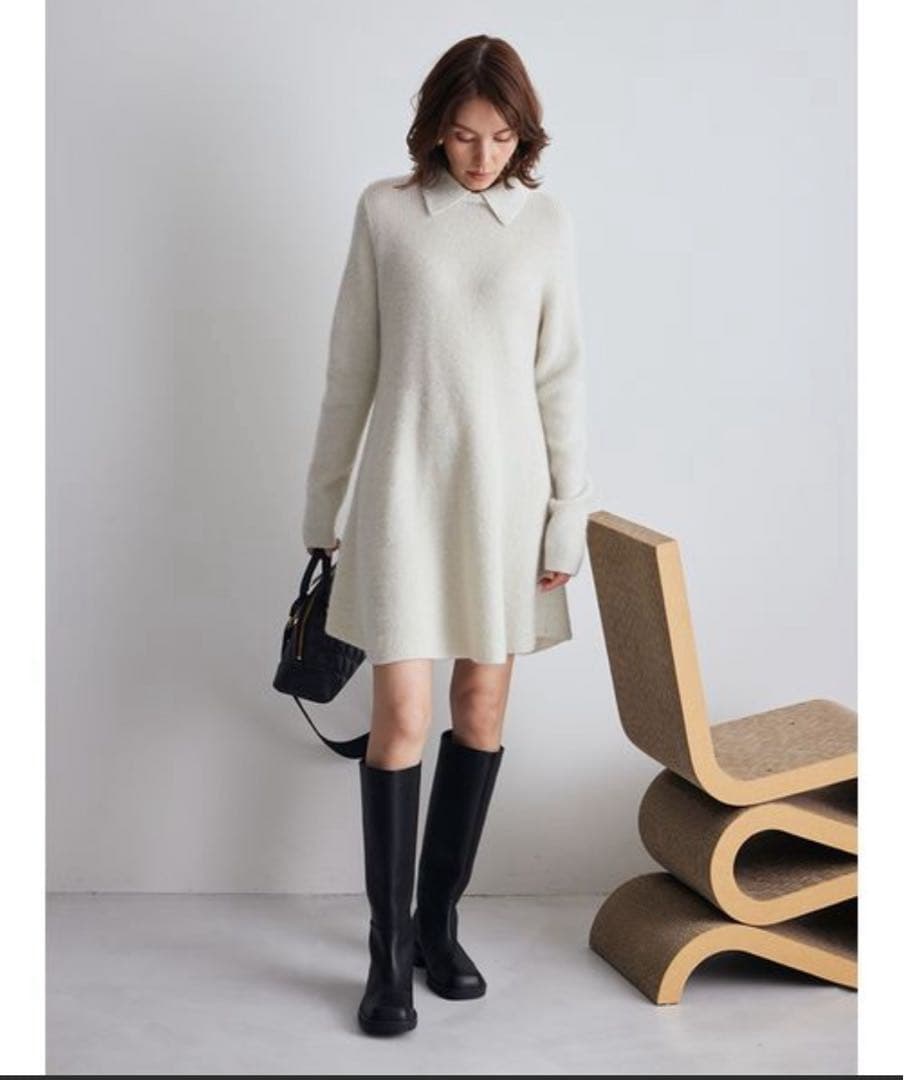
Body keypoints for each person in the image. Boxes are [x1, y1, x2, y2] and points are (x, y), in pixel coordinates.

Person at [302, 34, 593, 1036]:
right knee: (402, 714)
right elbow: (350, 369)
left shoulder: (545, 223)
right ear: (434, 129)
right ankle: (387, 953)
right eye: (464, 136)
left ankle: (439, 925)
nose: (481, 156)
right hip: (401, 493)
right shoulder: (386, 212)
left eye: (501, 138)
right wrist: (322, 508)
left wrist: (567, 515)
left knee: (480, 704)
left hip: (506, 499)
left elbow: (562, 376)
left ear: (523, 136)